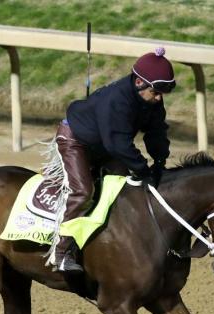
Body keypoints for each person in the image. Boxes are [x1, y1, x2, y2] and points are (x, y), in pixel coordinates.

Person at [48, 47, 176, 273]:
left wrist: (159, 162)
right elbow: (118, 144)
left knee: (129, 188)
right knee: (84, 192)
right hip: (76, 141)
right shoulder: (117, 100)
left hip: (106, 146)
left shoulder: (152, 100)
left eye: (163, 92)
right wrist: (143, 169)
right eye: (156, 91)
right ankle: (61, 252)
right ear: (139, 83)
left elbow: (156, 132)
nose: (159, 98)